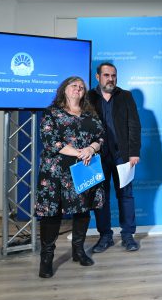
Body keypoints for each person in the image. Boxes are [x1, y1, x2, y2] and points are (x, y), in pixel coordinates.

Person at [35, 76, 105, 278]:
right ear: (64, 89)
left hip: (84, 169)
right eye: (74, 85)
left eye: (81, 87)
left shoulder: (90, 114)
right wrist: (79, 153)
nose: (78, 89)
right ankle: (46, 259)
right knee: (51, 214)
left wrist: (91, 149)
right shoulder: (51, 113)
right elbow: (50, 140)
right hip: (56, 172)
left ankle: (78, 251)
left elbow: (101, 137)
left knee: (83, 210)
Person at [87, 62, 142, 253]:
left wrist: (134, 152)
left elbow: (134, 125)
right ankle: (105, 237)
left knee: (126, 195)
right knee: (100, 198)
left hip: (122, 155)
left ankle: (128, 236)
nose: (110, 79)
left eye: (113, 76)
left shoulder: (125, 96)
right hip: (97, 156)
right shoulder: (88, 97)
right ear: (98, 77)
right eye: (106, 75)